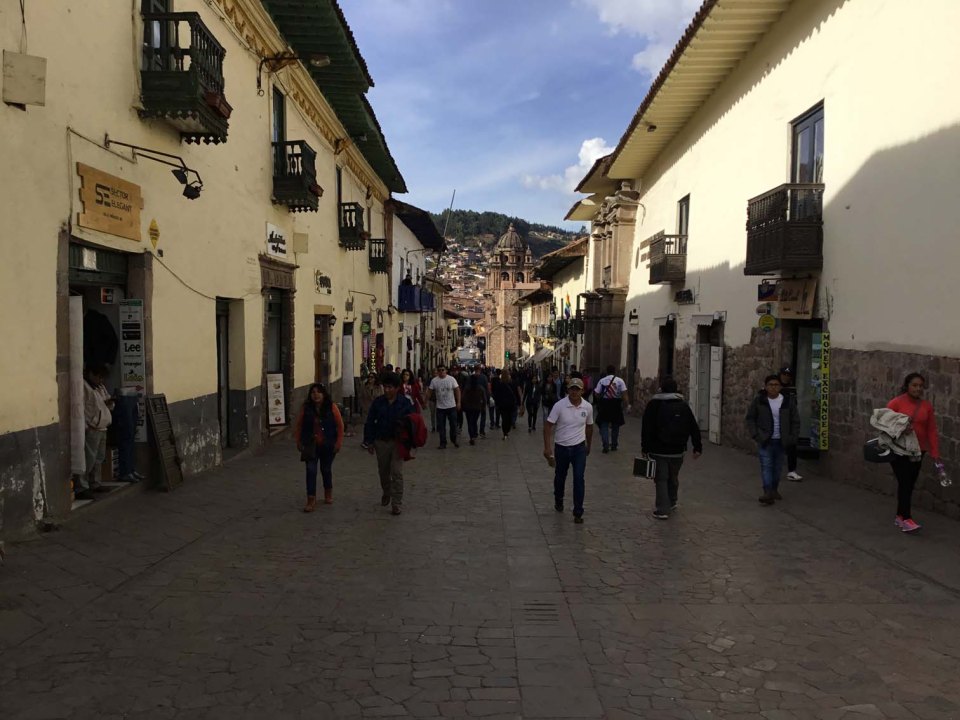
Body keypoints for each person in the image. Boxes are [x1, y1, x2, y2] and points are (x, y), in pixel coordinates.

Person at [641, 377, 702, 519]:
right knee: (673, 476)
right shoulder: (683, 405)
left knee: (661, 478)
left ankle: (662, 509)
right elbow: (693, 426)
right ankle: (672, 501)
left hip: (658, 449)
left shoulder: (653, 405)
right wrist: (697, 446)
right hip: (678, 450)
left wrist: (645, 447)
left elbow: (646, 428)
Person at [886, 372, 940, 533]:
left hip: (918, 451)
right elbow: (885, 423)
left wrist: (935, 452)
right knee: (905, 482)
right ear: (907, 386)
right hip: (899, 450)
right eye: (914, 385)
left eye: (921, 386)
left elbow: (931, 430)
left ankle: (899, 516)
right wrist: (901, 429)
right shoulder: (896, 403)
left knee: (909, 484)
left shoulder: (926, 406)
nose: (918, 389)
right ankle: (907, 519)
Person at [363, 372, 414, 515]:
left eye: (390, 387)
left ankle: (396, 502)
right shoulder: (378, 402)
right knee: (383, 472)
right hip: (381, 441)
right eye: (385, 387)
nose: (386, 390)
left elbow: (412, 423)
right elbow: (370, 422)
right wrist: (369, 441)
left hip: (398, 442)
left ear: (397, 388)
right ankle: (387, 491)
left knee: (396, 472)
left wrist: (410, 442)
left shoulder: (404, 403)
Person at [543, 377, 593, 523]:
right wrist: (547, 447)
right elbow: (548, 426)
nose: (574, 392)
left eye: (577, 389)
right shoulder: (559, 406)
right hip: (562, 448)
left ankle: (578, 511)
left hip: (579, 448)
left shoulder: (587, 407)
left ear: (582, 391)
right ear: (568, 390)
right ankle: (558, 499)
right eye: (572, 389)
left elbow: (589, 427)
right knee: (560, 477)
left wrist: (589, 445)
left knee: (578, 478)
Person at [746, 374, 800, 505]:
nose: (773, 387)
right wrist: (756, 434)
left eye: (776, 385)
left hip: (781, 440)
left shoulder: (787, 402)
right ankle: (767, 492)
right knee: (766, 466)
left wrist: (792, 437)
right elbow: (751, 418)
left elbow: (795, 420)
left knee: (777, 468)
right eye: (770, 385)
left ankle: (774, 489)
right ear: (765, 387)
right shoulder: (760, 401)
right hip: (765, 440)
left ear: (780, 387)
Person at [294, 384, 344, 511]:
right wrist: (298, 441)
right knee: (311, 470)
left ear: (324, 394)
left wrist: (338, 443)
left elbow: (340, 426)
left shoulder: (331, 407)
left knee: (326, 469)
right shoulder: (306, 408)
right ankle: (311, 499)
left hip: (328, 444)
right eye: (313, 392)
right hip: (310, 444)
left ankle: (328, 492)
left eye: (318, 392)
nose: (316, 395)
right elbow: (299, 425)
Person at [78, 364, 114, 500]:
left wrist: (110, 403)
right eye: (99, 377)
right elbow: (81, 407)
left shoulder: (100, 387)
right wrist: (87, 424)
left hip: (103, 426)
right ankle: (82, 486)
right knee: (89, 458)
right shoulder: (84, 386)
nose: (101, 380)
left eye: (102, 378)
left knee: (99, 458)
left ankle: (95, 482)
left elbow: (106, 401)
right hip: (92, 427)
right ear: (91, 374)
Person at [594, 365, 630, 453]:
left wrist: (601, 399)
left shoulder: (602, 381)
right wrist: (627, 405)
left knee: (604, 424)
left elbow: (596, 393)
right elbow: (624, 395)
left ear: (607, 371)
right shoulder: (620, 381)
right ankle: (614, 445)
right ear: (615, 371)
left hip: (605, 404)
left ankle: (605, 444)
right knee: (615, 425)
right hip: (616, 404)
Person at [778, 366, 802, 481]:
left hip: (789, 420)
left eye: (788, 375)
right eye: (784, 374)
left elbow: (794, 404)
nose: (786, 377)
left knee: (792, 445)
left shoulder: (792, 388)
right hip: (778, 419)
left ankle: (792, 471)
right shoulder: (775, 386)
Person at [428, 365, 461, 448]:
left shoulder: (451, 379)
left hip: (451, 406)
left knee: (453, 425)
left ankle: (454, 439)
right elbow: (429, 391)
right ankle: (443, 443)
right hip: (440, 408)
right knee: (441, 427)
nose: (441, 372)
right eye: (439, 370)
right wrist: (425, 402)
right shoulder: (434, 381)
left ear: (446, 371)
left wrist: (459, 402)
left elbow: (457, 390)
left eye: (443, 370)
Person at [493, 369, 521, 439]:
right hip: (510, 404)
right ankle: (506, 431)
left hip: (502, 405)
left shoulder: (499, 384)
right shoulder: (511, 383)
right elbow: (516, 393)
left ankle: (505, 432)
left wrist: (497, 403)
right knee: (509, 418)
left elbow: (496, 395)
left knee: (504, 418)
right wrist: (519, 403)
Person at [462, 374, 486, 445]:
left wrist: (463, 406)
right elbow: (484, 398)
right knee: (474, 421)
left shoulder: (467, 388)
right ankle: (475, 433)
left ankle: (472, 436)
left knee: (470, 422)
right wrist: (483, 407)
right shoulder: (480, 388)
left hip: (468, 407)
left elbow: (463, 398)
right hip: (477, 407)